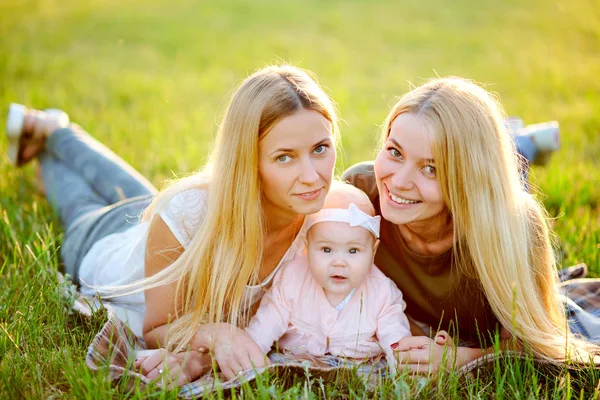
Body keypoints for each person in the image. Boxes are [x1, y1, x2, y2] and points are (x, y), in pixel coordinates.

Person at [5, 65, 340, 384]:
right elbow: (156, 328)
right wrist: (216, 333)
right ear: (247, 161)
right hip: (102, 243)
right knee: (79, 204)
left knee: (133, 191)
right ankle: (53, 138)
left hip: (153, 218)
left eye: (321, 149)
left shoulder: (322, 219)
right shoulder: (188, 211)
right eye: (285, 157)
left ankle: (49, 134)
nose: (312, 177)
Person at [342, 77, 597, 372]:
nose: (398, 182)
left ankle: (519, 143)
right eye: (395, 152)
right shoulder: (359, 195)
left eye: (430, 168)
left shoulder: (514, 227)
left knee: (513, 176)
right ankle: (518, 140)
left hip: (488, 201)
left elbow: (534, 342)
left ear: (468, 177)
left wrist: (462, 358)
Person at [245, 183, 412, 373]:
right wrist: (250, 355)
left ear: (373, 252)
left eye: (353, 250)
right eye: (326, 249)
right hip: (295, 360)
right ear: (307, 247)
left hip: (359, 366)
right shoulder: (292, 279)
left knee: (377, 374)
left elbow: (395, 339)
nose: (339, 262)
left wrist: (402, 366)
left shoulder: (382, 292)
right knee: (273, 366)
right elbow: (266, 324)